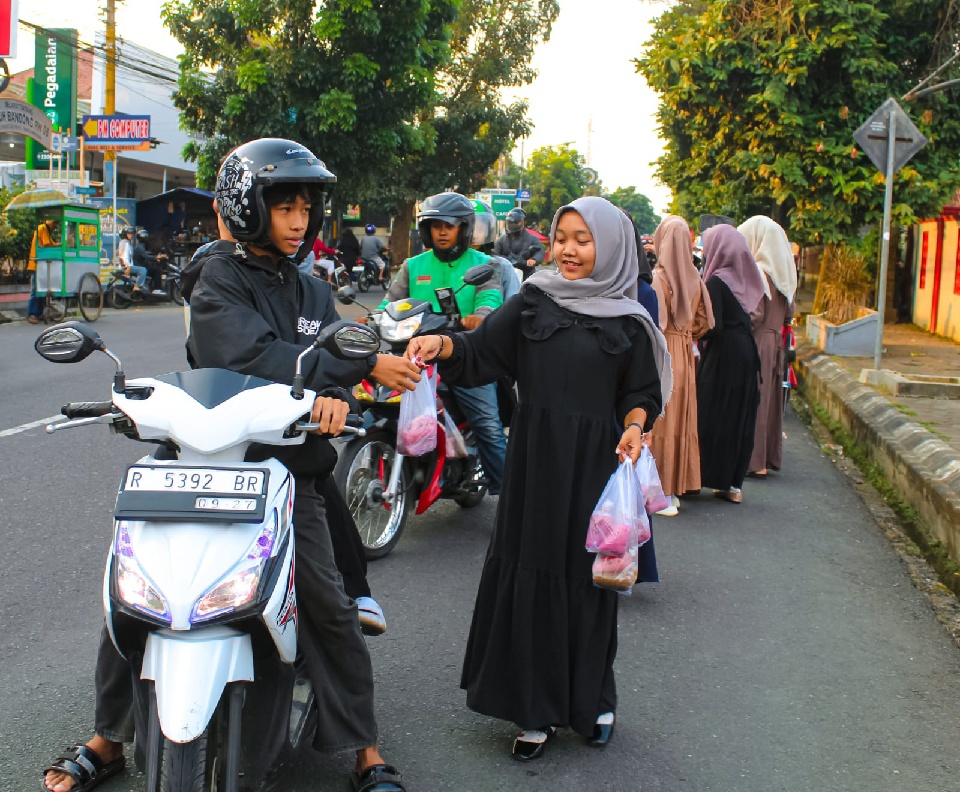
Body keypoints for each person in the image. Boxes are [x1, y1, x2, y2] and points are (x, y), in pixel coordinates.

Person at [42, 138, 418, 792]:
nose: (299, 220)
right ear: (248, 208)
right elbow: (249, 356)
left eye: (306, 207)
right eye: (284, 206)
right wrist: (359, 365)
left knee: (328, 602)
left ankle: (364, 749)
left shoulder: (311, 291)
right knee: (133, 591)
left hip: (284, 464)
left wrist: (334, 397)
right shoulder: (217, 277)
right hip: (201, 452)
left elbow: (314, 365)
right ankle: (107, 737)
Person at [406, 196, 670, 760]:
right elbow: (480, 354)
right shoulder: (533, 301)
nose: (570, 250)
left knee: (587, 583)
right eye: (563, 237)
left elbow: (642, 392)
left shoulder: (628, 319)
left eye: (584, 239)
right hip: (535, 463)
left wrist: (634, 425)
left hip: (596, 465)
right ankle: (533, 710)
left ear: (612, 246)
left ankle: (592, 699)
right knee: (532, 571)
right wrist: (443, 342)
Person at [379, 192, 508, 494]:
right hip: (413, 355)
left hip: (465, 356)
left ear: (463, 228)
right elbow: (389, 303)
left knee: (488, 425)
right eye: (435, 225)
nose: (441, 231)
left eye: (449, 226)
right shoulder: (414, 265)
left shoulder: (484, 263)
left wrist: (481, 315)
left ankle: (507, 499)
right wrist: (372, 319)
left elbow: (491, 296)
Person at [645, 215, 715, 516]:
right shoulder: (695, 276)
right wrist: (686, 335)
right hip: (686, 353)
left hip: (664, 353)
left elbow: (654, 324)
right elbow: (706, 322)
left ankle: (658, 491)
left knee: (661, 420)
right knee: (682, 419)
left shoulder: (659, 278)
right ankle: (674, 490)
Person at [696, 223, 765, 504]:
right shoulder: (746, 278)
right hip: (747, 351)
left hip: (724, 354)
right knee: (739, 415)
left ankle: (704, 477)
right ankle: (733, 484)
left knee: (712, 412)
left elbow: (714, 326)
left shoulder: (716, 282)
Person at [739, 216, 798, 479]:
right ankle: (767, 457)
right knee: (771, 400)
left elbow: (755, 314)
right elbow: (789, 314)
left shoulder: (759, 272)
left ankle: (754, 461)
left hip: (759, 339)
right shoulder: (785, 272)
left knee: (756, 401)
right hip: (775, 341)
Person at [471, 198, 520, 300]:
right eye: (469, 229)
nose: (473, 235)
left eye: (480, 229)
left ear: (488, 230)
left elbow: (513, 306)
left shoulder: (503, 266)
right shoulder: (448, 264)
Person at [494, 207, 544, 281]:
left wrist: (534, 259)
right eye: (511, 223)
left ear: (524, 222)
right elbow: (494, 254)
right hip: (506, 273)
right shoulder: (501, 240)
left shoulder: (532, 239)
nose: (513, 225)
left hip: (526, 274)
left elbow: (539, 251)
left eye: (516, 223)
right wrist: (504, 260)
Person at [26, 218, 58, 323]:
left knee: (42, 289)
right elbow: (47, 245)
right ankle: (32, 314)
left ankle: (39, 313)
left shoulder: (45, 230)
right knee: (36, 290)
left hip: (41, 265)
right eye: (55, 223)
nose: (56, 226)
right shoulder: (43, 228)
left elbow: (51, 243)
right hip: (37, 264)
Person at [132, 229, 168, 294]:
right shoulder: (140, 247)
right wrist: (156, 257)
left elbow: (146, 254)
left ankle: (151, 286)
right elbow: (146, 256)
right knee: (157, 270)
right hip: (140, 266)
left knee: (154, 268)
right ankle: (157, 289)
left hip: (141, 265)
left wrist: (155, 257)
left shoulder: (140, 246)